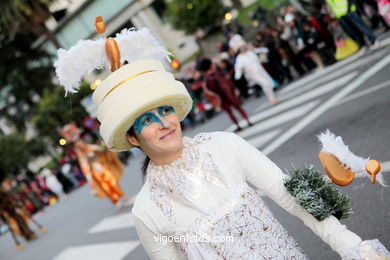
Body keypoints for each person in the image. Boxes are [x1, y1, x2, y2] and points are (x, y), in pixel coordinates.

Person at [55, 21, 389, 260]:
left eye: (166, 111)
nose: (164, 123)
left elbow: (294, 195)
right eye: (147, 119)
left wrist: (352, 247)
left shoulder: (224, 145)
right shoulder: (147, 212)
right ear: (131, 136)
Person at [198, 58, 252, 131]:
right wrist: (234, 89)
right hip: (228, 94)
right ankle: (248, 121)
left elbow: (211, 91)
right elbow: (228, 82)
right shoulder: (218, 73)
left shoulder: (207, 80)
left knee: (230, 112)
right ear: (210, 66)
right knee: (238, 108)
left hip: (221, 98)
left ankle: (238, 126)